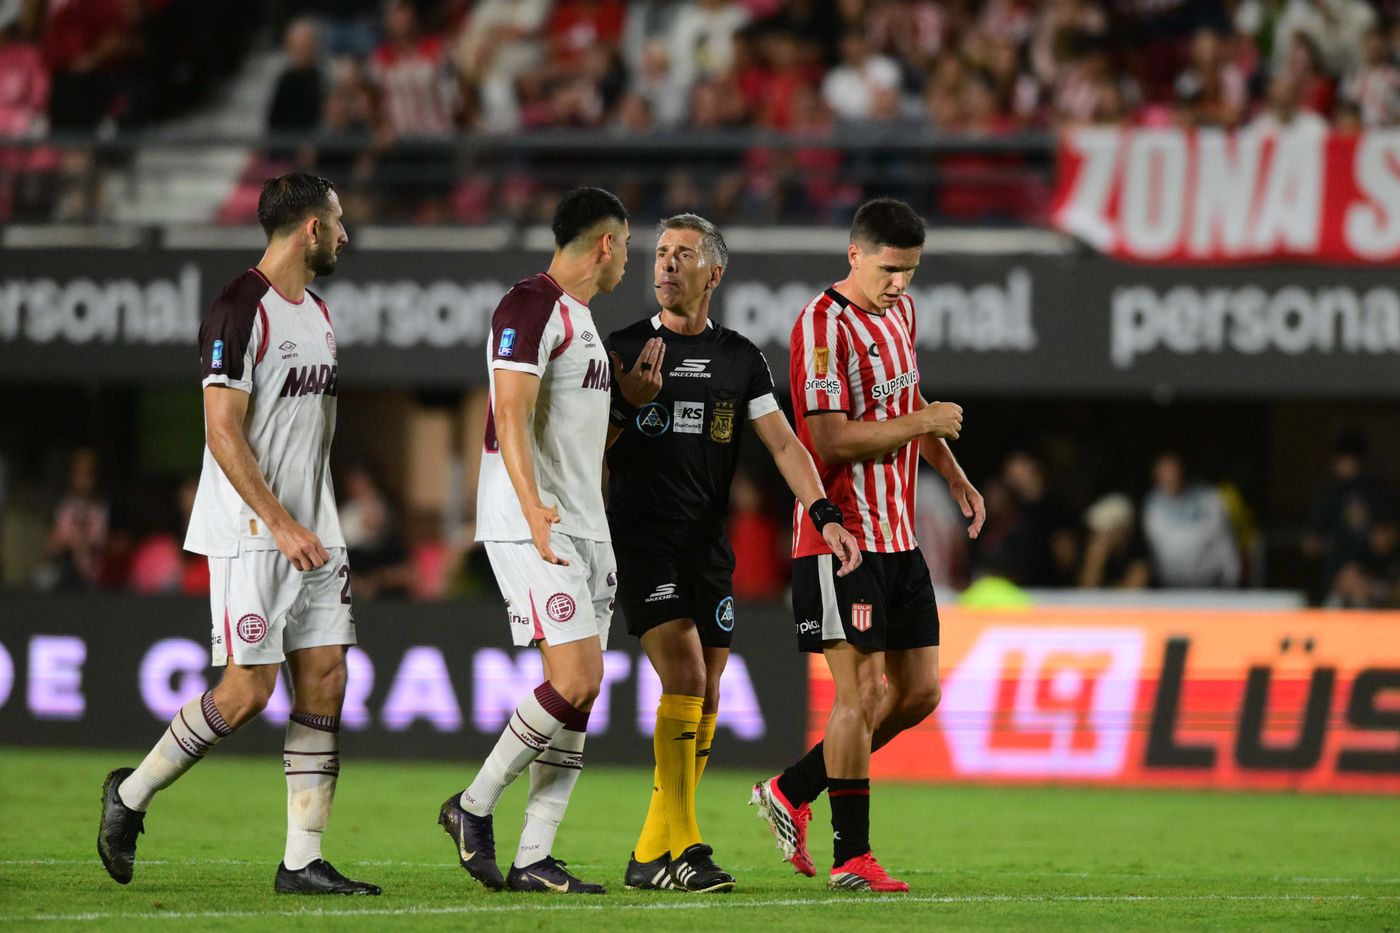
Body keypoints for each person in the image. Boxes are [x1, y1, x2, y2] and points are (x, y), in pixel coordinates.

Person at [97, 174, 379, 895]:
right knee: (247, 691)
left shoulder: (316, 312)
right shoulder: (236, 309)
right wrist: (281, 523)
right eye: (338, 222)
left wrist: (313, 521)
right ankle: (130, 794)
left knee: (327, 677)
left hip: (315, 533)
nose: (346, 234)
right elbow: (222, 432)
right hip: (255, 532)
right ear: (310, 229)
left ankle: (301, 858)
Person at [604, 214, 861, 893]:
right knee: (686, 675)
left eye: (681, 254)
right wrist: (627, 407)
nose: (664, 265)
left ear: (713, 272)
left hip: (707, 548)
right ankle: (686, 844)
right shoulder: (622, 349)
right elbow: (579, 451)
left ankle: (650, 851)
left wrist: (825, 513)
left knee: (709, 688)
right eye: (659, 253)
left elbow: (783, 444)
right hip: (643, 541)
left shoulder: (740, 358)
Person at [751, 198, 984, 892]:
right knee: (859, 692)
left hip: (899, 537)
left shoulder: (902, 314)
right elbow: (828, 437)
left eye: (910, 272)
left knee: (918, 692)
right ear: (855, 254)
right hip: (839, 540)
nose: (900, 285)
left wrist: (955, 472)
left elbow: (907, 409)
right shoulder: (822, 327)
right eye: (889, 270)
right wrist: (923, 419)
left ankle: (792, 787)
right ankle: (851, 856)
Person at [439, 187, 629, 895]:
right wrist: (532, 507)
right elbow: (510, 416)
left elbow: (572, 434)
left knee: (580, 695)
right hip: (535, 522)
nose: (628, 260)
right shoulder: (530, 303)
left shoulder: (581, 322)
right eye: (628, 245)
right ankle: (472, 804)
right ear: (605, 244)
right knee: (576, 677)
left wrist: (627, 401)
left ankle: (534, 855)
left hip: (585, 523)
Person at [1141, 451, 1240, 588]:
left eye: (1174, 471)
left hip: (1211, 587)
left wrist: (1232, 578)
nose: (1171, 478)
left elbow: (1225, 541)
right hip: (1171, 590)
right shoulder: (1152, 505)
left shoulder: (1209, 498)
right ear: (1156, 477)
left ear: (1183, 471)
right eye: (1165, 473)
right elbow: (1155, 550)